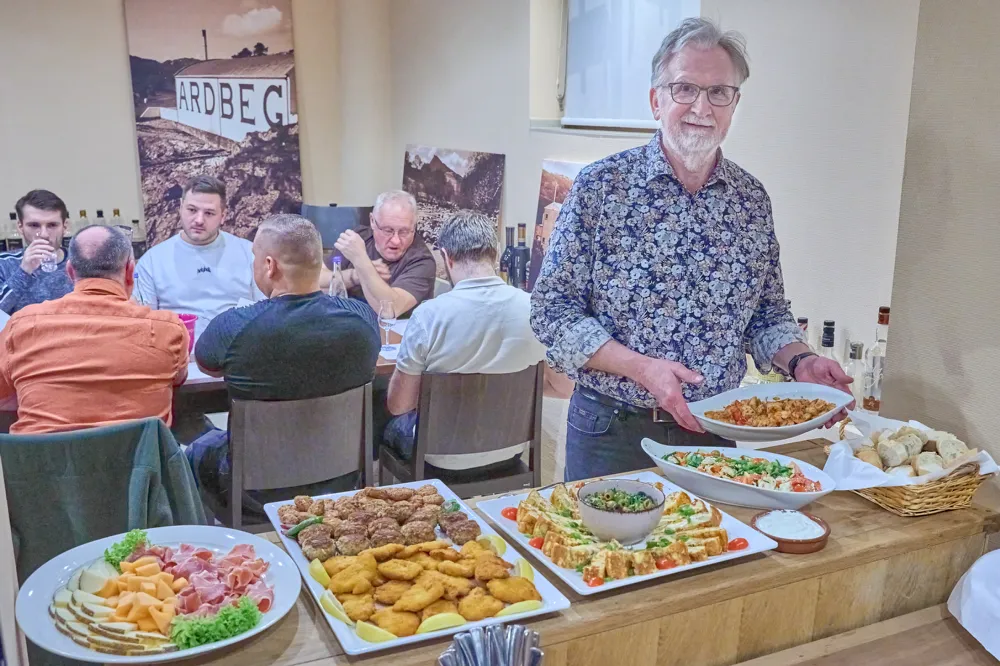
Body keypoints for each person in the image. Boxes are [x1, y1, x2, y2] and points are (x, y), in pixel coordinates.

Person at [530, 18, 853, 482]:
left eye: (719, 92)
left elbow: (766, 313)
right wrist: (642, 369)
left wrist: (801, 360)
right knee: (604, 555)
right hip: (612, 433)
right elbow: (552, 311)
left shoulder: (750, 200)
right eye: (684, 88)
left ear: (734, 104)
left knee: (721, 552)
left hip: (716, 433)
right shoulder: (602, 187)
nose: (702, 106)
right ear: (655, 100)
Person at [187, 213, 381, 523]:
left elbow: (207, 364)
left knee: (197, 447)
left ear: (269, 265)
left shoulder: (235, 326)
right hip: (343, 480)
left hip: (256, 492)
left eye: (255, 259)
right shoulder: (363, 320)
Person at [385, 211, 546, 472]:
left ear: (447, 257)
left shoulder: (429, 315)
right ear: (495, 253)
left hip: (438, 457)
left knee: (389, 421)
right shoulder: (534, 309)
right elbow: (559, 387)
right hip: (510, 449)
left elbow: (399, 405)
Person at [0, 225, 189, 434]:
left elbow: (3, 395)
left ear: (70, 271)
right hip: (138, 465)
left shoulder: (21, 326)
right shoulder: (168, 329)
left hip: (45, 465)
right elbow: (178, 379)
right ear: (129, 271)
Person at [133, 175, 262, 338]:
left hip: (235, 355)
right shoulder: (152, 261)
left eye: (209, 213)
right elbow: (143, 321)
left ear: (223, 215)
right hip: (176, 355)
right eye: (192, 210)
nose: (199, 220)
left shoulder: (249, 254)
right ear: (180, 208)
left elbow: (266, 312)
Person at [329, 190, 436, 317]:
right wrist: (354, 275)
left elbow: (389, 311)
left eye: (404, 231)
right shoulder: (360, 237)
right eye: (388, 230)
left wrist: (361, 260)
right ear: (372, 221)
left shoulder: (423, 261)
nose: (396, 241)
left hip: (392, 333)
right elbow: (318, 282)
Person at [0, 189, 74, 314]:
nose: (44, 234)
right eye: (34, 225)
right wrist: (24, 271)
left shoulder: (81, 262)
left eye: (52, 225)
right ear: (20, 227)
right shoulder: (4, 263)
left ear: (65, 226)